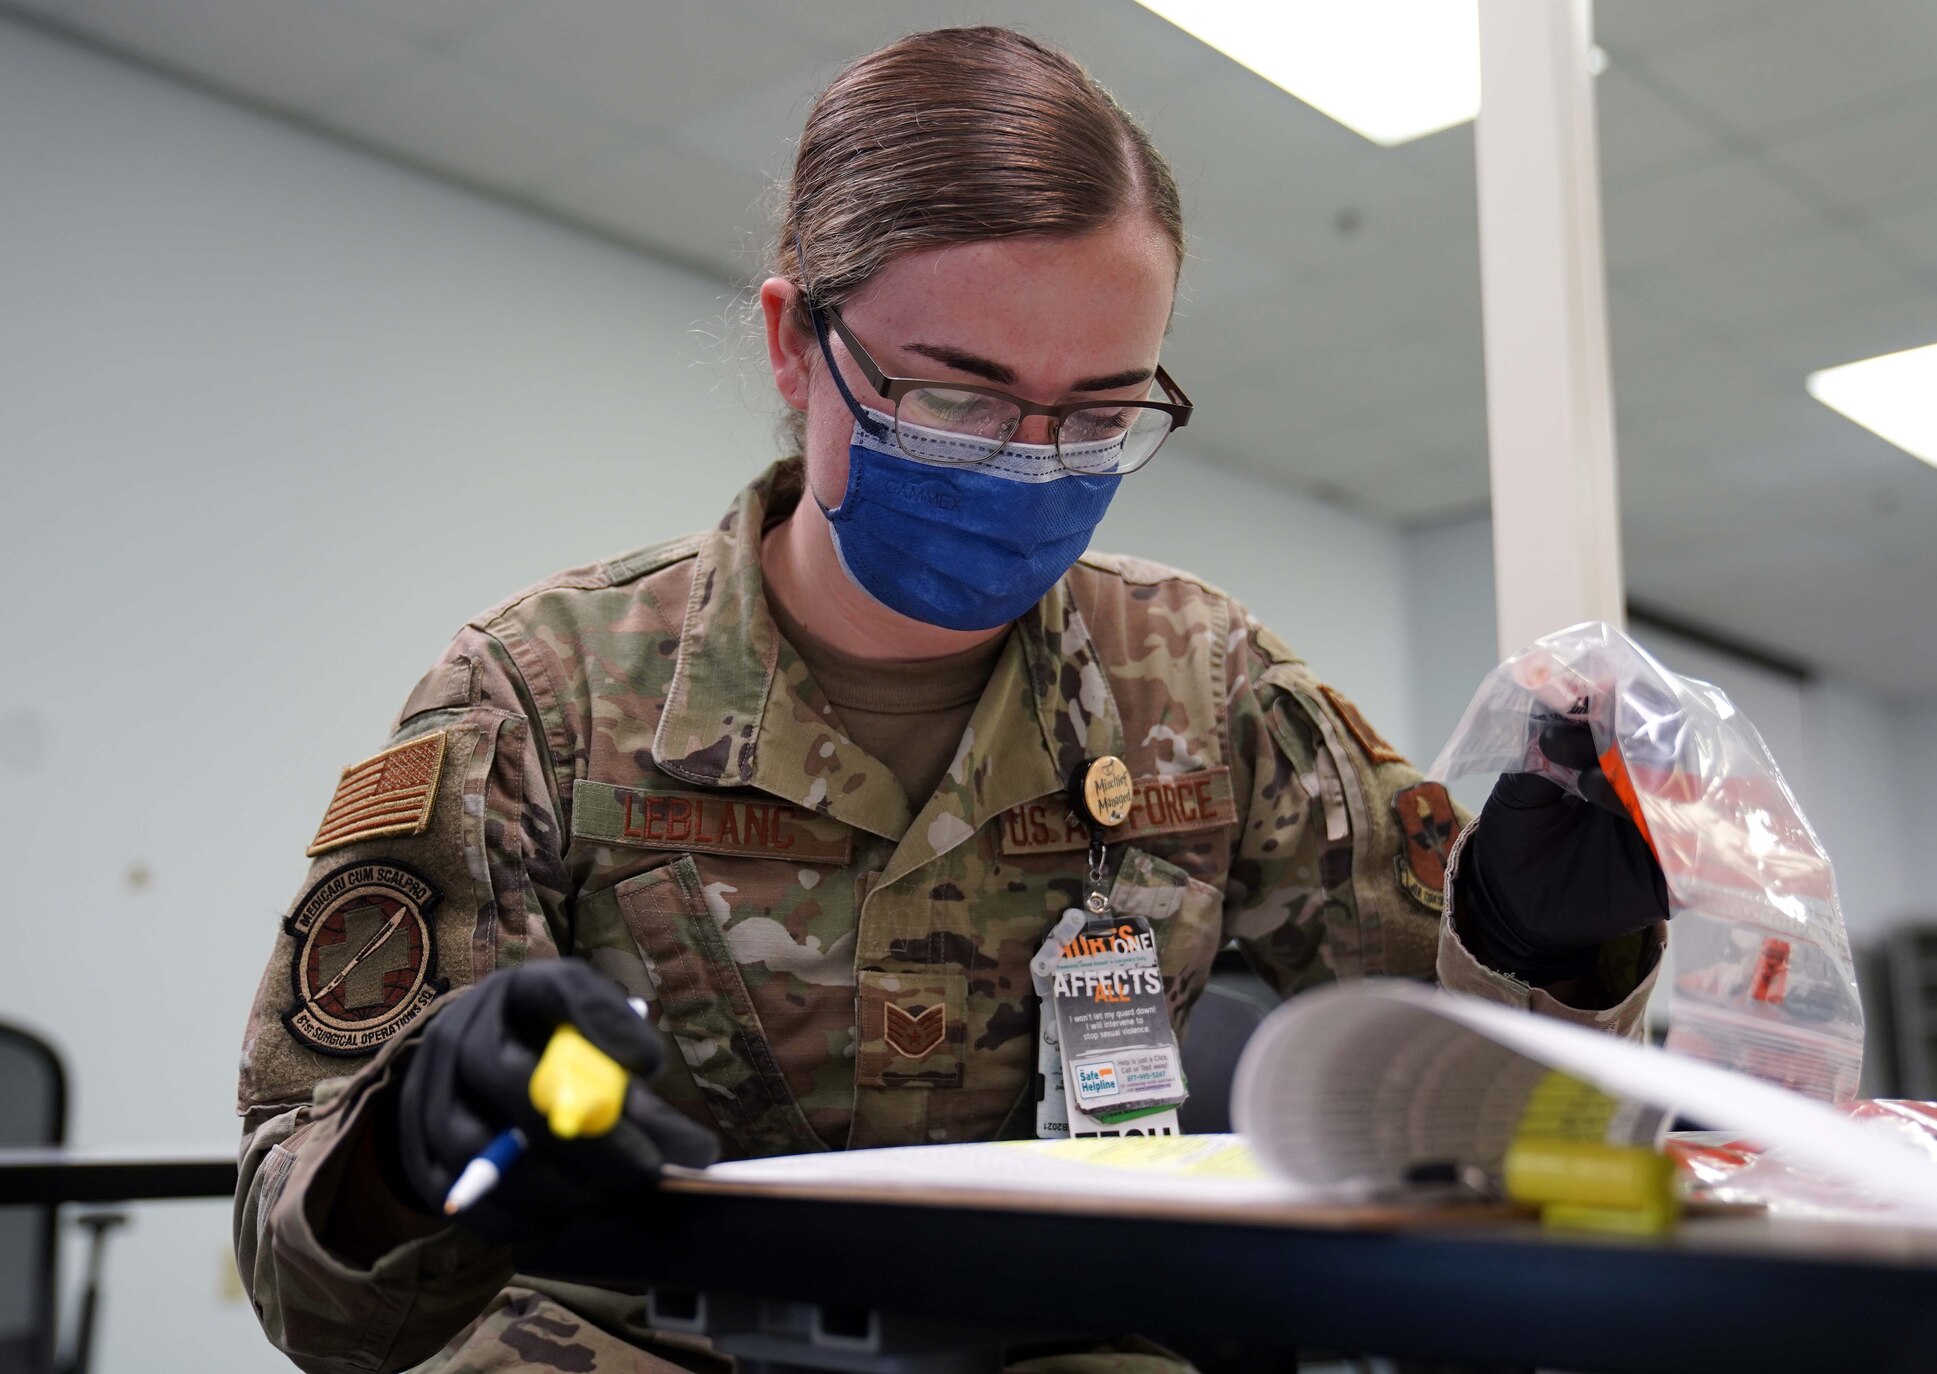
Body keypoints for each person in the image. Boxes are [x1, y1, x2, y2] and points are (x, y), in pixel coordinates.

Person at [234, 26, 1667, 1374]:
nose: (1030, 463)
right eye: (958, 399)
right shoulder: (541, 697)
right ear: (799, 343)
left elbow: (1496, 1134)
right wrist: (410, 1151)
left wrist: (1550, 951)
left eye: (1100, 414)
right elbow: (313, 1295)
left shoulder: (1202, 687)